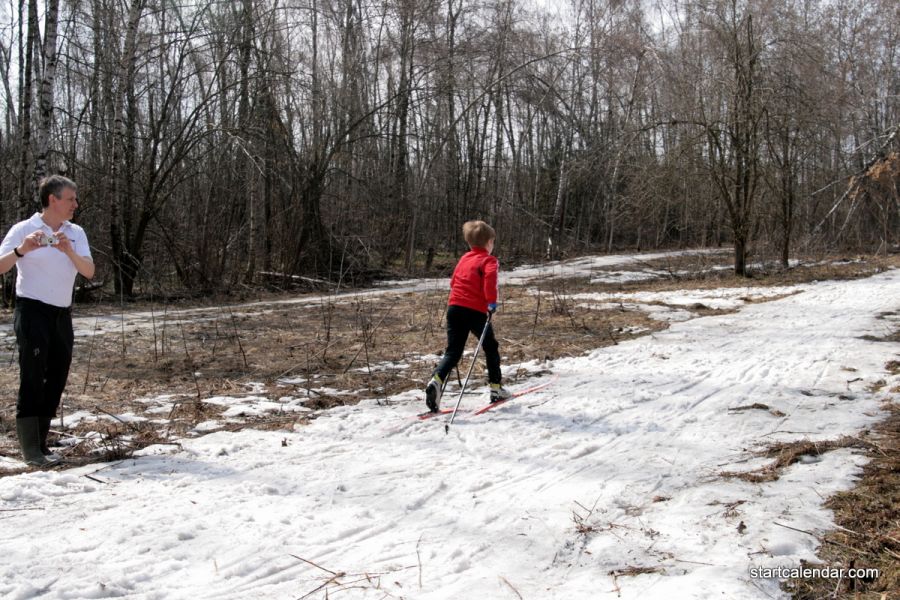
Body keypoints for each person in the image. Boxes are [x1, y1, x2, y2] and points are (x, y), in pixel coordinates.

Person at [0, 175, 95, 466]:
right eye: (70, 199)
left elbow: (89, 271)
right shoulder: (24, 229)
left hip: (61, 313)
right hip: (31, 310)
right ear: (52, 199)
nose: (75, 205)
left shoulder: (76, 232)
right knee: (33, 374)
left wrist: (68, 250)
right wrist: (22, 250)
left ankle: (41, 443)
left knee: (57, 374)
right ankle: (30, 450)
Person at [425, 220, 511, 412]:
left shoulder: (464, 258)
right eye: (493, 242)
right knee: (490, 346)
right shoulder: (489, 260)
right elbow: (490, 281)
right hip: (475, 311)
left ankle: (436, 379)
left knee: (453, 351)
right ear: (489, 243)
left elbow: (453, 281)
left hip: (454, 307)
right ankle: (496, 388)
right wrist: (491, 303)